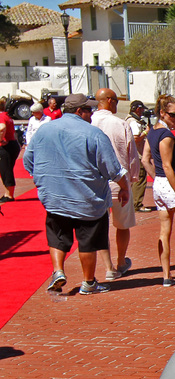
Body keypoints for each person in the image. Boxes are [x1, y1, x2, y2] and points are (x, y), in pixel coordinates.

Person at [23, 93, 130, 295]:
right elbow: (113, 169)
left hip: (55, 197)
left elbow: (29, 159)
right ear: (79, 111)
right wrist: (124, 187)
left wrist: (41, 179)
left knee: (57, 237)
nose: (92, 113)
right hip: (87, 198)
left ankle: (58, 271)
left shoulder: (45, 130)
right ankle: (88, 282)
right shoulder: (93, 134)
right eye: (89, 110)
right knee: (88, 241)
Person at [142, 95, 175, 287]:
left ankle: (166, 275)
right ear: (162, 113)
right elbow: (167, 165)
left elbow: (145, 160)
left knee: (165, 230)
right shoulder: (167, 136)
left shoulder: (152, 132)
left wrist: (158, 180)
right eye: (173, 115)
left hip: (160, 186)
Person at [92, 88, 140, 280]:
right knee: (122, 225)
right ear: (110, 101)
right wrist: (132, 179)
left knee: (101, 226)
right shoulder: (121, 124)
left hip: (96, 184)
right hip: (121, 183)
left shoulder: (90, 123)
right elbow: (133, 156)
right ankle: (120, 261)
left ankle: (109, 266)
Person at [126, 100, 151, 213]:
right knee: (140, 179)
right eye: (141, 110)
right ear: (137, 109)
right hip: (138, 155)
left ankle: (133, 203)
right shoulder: (133, 122)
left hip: (134, 155)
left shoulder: (130, 120)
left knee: (136, 179)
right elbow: (136, 138)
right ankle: (137, 204)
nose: (142, 112)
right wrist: (146, 132)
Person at [0, 99, 19, 204]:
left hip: (6, 146)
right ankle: (8, 193)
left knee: (6, 169)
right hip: (12, 144)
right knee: (6, 169)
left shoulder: (1, 117)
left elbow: (2, 128)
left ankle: (9, 195)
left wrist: (1, 139)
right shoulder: (7, 116)